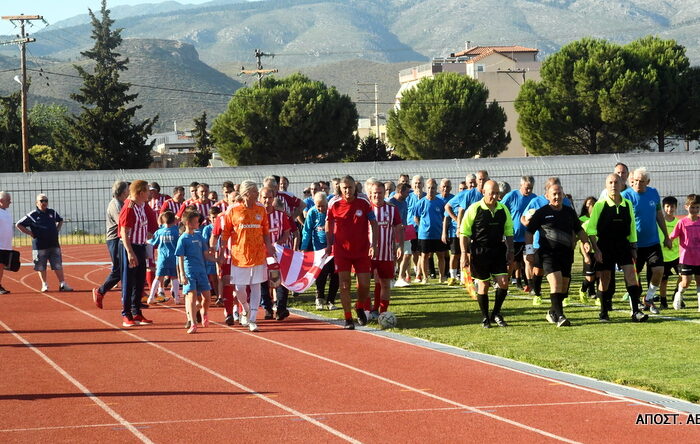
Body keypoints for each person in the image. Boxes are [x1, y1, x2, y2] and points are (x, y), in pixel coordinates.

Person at [525, 183, 592, 327]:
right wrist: (529, 251)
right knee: (556, 283)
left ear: (563, 194)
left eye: (559, 193)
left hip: (566, 254)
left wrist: (586, 241)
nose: (557, 196)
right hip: (548, 255)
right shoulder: (541, 212)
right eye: (554, 194)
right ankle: (561, 316)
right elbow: (529, 231)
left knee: (564, 287)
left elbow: (579, 229)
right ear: (547, 196)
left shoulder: (569, 212)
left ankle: (552, 312)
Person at [586, 174, 647, 322]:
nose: (613, 185)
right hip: (605, 247)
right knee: (605, 279)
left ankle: (636, 312)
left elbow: (632, 227)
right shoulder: (600, 205)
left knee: (631, 276)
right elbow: (591, 229)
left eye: (616, 182)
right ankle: (603, 312)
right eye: (610, 182)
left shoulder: (627, 204)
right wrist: (597, 250)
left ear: (622, 184)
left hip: (623, 246)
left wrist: (633, 246)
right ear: (606, 185)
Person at [220, 180, 276, 332]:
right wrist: (221, 251)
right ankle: (244, 308)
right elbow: (225, 233)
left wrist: (269, 246)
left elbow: (265, 230)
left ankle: (252, 318)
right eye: (255, 192)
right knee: (239, 288)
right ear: (246, 194)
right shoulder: (232, 210)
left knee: (256, 285)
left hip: (258, 253)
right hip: (239, 255)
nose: (257, 194)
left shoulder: (261, 209)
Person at [326, 175, 378, 329]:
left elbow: (373, 223)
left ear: (355, 187)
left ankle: (360, 306)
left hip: (362, 250)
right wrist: (329, 243)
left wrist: (373, 244)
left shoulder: (363, 202)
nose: (348, 190)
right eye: (345, 188)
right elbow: (328, 222)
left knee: (365, 285)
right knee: (344, 285)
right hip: (342, 251)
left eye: (350, 187)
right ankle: (348, 318)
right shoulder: (334, 203)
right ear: (340, 189)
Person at [460, 180, 514, 328]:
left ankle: (496, 313)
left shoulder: (503, 209)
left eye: (497, 193)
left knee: (503, 283)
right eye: (492, 193)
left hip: (498, 250)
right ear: (484, 192)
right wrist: (464, 253)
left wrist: (510, 250)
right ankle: (485, 317)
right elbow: (464, 232)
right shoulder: (474, 209)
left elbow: (509, 231)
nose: (495, 196)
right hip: (479, 252)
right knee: (483, 285)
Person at [621, 167, 671, 314]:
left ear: (647, 182)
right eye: (635, 181)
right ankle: (635, 305)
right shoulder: (626, 196)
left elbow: (658, 214)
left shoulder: (653, 193)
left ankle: (648, 298)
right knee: (633, 277)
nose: (637, 184)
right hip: (634, 245)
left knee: (658, 270)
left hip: (653, 242)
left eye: (641, 181)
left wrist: (666, 236)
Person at [521, 177, 573, 306]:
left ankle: (563, 296)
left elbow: (572, 220)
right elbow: (523, 218)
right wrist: (528, 223)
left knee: (565, 271)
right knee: (538, 270)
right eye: (553, 189)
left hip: (563, 244)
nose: (557, 194)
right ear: (547, 190)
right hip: (541, 243)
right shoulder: (536, 201)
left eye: (559, 189)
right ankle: (537, 293)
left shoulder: (566, 202)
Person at [118, 180, 158, 327]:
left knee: (139, 282)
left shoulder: (141, 206)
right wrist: (130, 252)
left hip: (141, 246)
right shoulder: (129, 207)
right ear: (141, 192)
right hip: (130, 246)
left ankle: (136, 312)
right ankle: (126, 314)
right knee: (129, 281)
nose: (149, 193)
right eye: (147, 190)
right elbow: (124, 231)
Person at [16, 194, 73, 293]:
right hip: (40, 246)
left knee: (58, 264)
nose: (44, 203)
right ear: (37, 203)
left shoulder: (52, 212)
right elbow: (18, 224)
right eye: (42, 201)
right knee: (41, 265)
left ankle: (62, 283)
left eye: (46, 200)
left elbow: (60, 220)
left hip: (54, 244)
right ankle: (44, 284)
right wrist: (30, 233)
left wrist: (57, 229)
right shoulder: (32, 215)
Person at [366, 179, 403, 319]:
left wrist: (399, 245)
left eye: (380, 193)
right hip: (367, 253)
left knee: (385, 284)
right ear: (370, 194)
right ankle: (366, 310)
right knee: (364, 284)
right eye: (375, 193)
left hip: (386, 253)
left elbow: (399, 228)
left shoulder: (392, 209)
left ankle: (382, 312)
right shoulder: (366, 209)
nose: (377, 196)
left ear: (384, 193)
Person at [176, 210, 216, 334]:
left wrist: (217, 259)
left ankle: (204, 312)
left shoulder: (199, 236)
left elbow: (205, 254)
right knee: (192, 297)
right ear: (188, 223)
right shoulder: (183, 239)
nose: (198, 223)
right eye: (195, 221)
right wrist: (182, 274)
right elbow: (180, 258)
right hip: (189, 271)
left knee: (207, 298)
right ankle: (193, 323)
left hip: (201, 271)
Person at [93, 181, 129, 308]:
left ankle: (131, 298)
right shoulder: (116, 205)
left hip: (120, 239)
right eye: (127, 190)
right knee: (119, 270)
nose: (129, 192)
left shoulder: (121, 203)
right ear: (123, 191)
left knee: (125, 269)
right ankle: (101, 291)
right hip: (115, 239)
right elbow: (122, 222)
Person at [260, 186, 293, 320]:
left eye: (269, 197)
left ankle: (280, 309)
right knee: (263, 281)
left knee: (279, 281)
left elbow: (286, 232)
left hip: (277, 254)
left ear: (274, 198)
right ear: (260, 198)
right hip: (261, 254)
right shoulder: (256, 215)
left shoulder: (281, 215)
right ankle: (267, 309)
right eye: (264, 197)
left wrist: (277, 244)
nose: (267, 200)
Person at [302, 191, 338, 310]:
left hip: (334, 248)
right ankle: (319, 298)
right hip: (319, 249)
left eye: (323, 205)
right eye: (319, 206)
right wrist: (304, 248)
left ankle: (331, 300)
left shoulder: (331, 211)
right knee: (321, 274)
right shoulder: (312, 212)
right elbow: (307, 231)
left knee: (335, 274)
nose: (321, 208)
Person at [500, 176, 537, 291]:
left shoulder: (534, 199)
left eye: (531, 188)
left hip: (529, 237)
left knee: (528, 260)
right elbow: (500, 209)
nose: (529, 191)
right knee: (511, 262)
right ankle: (505, 282)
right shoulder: (511, 196)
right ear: (520, 186)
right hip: (513, 237)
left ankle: (530, 284)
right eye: (527, 188)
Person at [414, 178, 448, 284]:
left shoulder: (441, 203)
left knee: (441, 255)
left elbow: (444, 217)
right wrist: (423, 227)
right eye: (428, 188)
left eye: (433, 188)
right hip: (424, 235)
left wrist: (441, 228)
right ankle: (425, 277)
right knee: (424, 256)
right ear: (426, 188)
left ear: (436, 188)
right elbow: (416, 218)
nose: (430, 190)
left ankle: (442, 277)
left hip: (438, 234)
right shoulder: (421, 202)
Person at [670, 194, 700, 311]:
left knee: (699, 281)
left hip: (699, 258)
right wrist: (668, 242)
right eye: (692, 207)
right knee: (686, 282)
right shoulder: (682, 222)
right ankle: (679, 294)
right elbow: (672, 236)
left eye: (697, 207)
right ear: (686, 207)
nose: (695, 210)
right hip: (686, 258)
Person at [147, 211, 180, 304]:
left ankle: (151, 297)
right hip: (174, 257)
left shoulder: (159, 232)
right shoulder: (176, 231)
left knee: (158, 277)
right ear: (174, 220)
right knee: (174, 277)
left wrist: (147, 239)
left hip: (162, 258)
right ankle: (177, 298)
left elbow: (153, 242)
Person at [658, 196, 680, 309]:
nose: (669, 209)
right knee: (664, 281)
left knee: (684, 277)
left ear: (676, 207)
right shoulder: (659, 222)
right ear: (663, 207)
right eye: (667, 206)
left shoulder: (679, 222)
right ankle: (663, 301)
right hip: (664, 256)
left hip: (677, 255)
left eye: (672, 206)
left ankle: (677, 295)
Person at [390, 183, 412, 287]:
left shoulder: (405, 202)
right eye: (407, 192)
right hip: (393, 232)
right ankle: (391, 277)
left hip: (404, 231)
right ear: (400, 191)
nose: (408, 194)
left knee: (407, 254)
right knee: (394, 256)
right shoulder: (390, 202)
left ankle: (400, 278)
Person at [577, 196, 598, 303]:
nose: (591, 206)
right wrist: (585, 256)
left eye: (594, 204)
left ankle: (599, 297)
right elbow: (582, 240)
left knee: (599, 275)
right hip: (588, 253)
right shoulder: (583, 221)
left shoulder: (600, 220)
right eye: (589, 204)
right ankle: (583, 289)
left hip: (599, 252)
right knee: (590, 277)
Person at [0, 192, 13, 295]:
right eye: (8, 200)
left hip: (5, 245)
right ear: (1, 201)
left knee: (1, 266)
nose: (10, 202)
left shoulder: (5, 212)